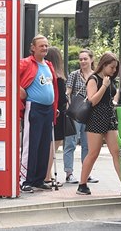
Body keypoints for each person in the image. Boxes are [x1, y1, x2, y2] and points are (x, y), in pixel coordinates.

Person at [77, 52, 121, 195]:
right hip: (96, 118)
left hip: (109, 117)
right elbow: (92, 100)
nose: (114, 70)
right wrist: (104, 86)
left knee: (116, 152)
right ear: (104, 65)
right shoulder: (94, 79)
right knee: (93, 153)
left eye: (115, 68)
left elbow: (112, 95)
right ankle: (82, 184)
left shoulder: (110, 79)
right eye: (112, 67)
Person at [18, 35, 58, 193]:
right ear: (33, 47)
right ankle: (24, 179)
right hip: (33, 107)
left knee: (44, 145)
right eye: (41, 45)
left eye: (46, 45)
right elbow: (10, 74)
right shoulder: (26, 63)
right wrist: (20, 91)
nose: (45, 48)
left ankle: (38, 179)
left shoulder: (48, 64)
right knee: (30, 144)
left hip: (48, 109)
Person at [63, 49, 98, 184]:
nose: (83, 61)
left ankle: (86, 173)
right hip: (76, 113)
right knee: (71, 142)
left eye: (85, 59)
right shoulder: (74, 75)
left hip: (90, 113)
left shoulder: (95, 76)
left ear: (91, 59)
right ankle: (69, 173)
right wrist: (69, 108)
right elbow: (68, 92)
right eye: (81, 59)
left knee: (87, 144)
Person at [44, 47, 76, 188]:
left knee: (49, 147)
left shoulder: (48, 77)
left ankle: (48, 175)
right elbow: (63, 99)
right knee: (53, 147)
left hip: (50, 114)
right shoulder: (59, 78)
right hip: (59, 115)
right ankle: (47, 176)